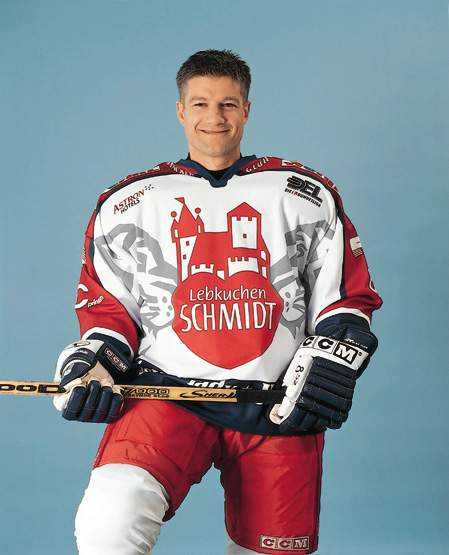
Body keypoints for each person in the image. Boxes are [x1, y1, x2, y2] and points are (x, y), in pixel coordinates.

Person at [53, 49, 383, 554]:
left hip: (275, 406)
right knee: (108, 525)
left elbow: (345, 298)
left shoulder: (304, 194)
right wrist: (95, 362)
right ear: (180, 110)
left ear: (246, 110)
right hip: (164, 396)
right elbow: (110, 310)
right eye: (201, 104)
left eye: (228, 104)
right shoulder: (128, 203)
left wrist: (333, 359)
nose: (215, 117)